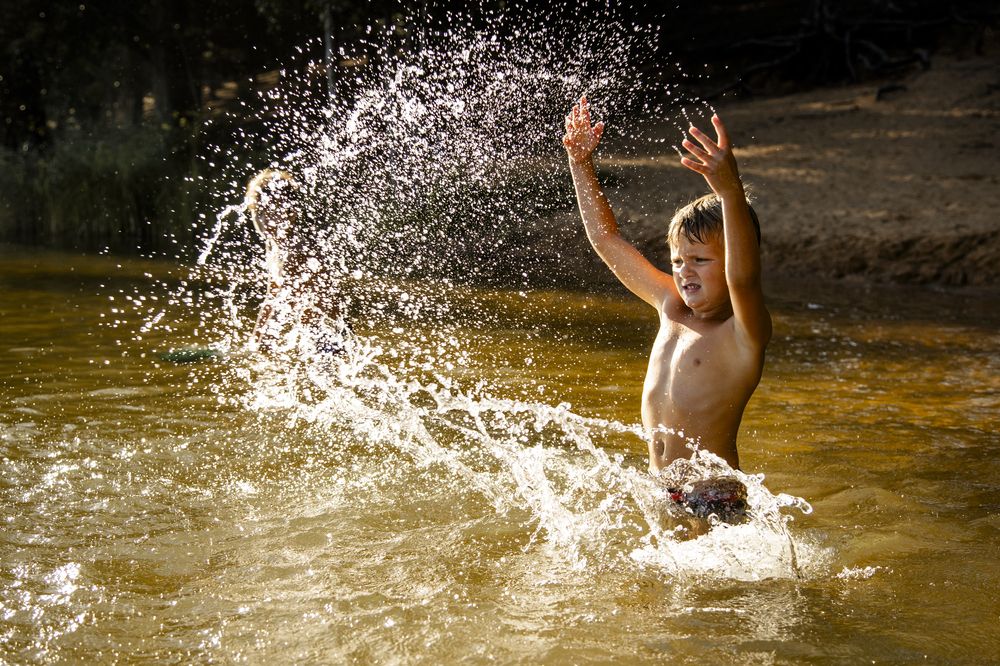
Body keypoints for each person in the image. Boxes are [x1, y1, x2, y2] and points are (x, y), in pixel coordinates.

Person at [562, 96, 771, 501]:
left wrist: (730, 192)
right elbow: (607, 241)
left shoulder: (743, 332)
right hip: (663, 489)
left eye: (700, 260)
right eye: (678, 259)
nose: (684, 270)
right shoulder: (670, 306)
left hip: (712, 493)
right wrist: (580, 164)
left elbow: (744, 279)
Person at [244, 168, 346, 356]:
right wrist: (254, 340)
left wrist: (262, 346)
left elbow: (284, 305)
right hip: (313, 338)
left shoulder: (298, 253)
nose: (263, 219)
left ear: (291, 212)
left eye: (270, 211)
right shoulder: (275, 247)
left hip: (328, 340)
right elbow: (272, 297)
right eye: (258, 212)